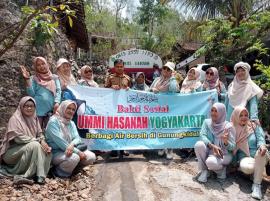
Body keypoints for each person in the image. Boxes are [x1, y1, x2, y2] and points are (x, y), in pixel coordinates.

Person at [0, 96, 52, 184]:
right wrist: (38, 141)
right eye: (26, 106)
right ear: (21, 106)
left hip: (27, 148)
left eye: (31, 106)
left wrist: (43, 141)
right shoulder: (15, 119)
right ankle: (39, 176)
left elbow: (39, 133)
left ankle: (35, 173)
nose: (29, 108)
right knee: (35, 145)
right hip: (12, 153)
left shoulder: (34, 119)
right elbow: (18, 138)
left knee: (48, 151)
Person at [45, 100, 96, 178]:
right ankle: (58, 173)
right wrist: (78, 152)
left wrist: (72, 144)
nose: (71, 111)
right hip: (56, 153)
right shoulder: (53, 122)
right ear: (63, 107)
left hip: (70, 149)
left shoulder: (71, 123)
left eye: (73, 109)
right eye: (68, 108)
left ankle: (73, 169)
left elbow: (77, 138)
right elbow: (60, 142)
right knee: (74, 158)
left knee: (91, 157)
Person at [231, 106, 269, 200]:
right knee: (247, 167)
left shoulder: (254, 125)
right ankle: (256, 173)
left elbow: (260, 138)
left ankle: (256, 186)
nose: (244, 117)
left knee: (260, 154)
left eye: (246, 115)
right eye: (241, 115)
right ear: (236, 116)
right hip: (245, 158)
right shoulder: (232, 128)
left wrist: (262, 146)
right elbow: (230, 147)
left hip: (259, 154)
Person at [194, 103, 236, 183]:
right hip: (211, 151)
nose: (213, 113)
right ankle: (204, 171)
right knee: (199, 145)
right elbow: (202, 135)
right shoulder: (207, 122)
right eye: (212, 110)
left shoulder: (228, 127)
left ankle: (221, 170)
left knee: (210, 162)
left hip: (224, 154)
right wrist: (212, 146)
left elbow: (233, 147)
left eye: (216, 111)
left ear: (221, 112)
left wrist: (225, 142)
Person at [20, 57, 61, 129]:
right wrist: (27, 80)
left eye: (43, 63)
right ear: (36, 67)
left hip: (51, 109)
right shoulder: (34, 78)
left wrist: (57, 102)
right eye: (38, 65)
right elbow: (31, 94)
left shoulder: (54, 77)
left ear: (47, 64)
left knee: (50, 131)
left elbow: (58, 90)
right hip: (37, 110)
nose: (41, 66)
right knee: (37, 132)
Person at [150, 61, 179, 160]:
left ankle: (170, 149)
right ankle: (162, 147)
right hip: (157, 109)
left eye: (169, 69)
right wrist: (153, 91)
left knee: (169, 128)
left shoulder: (172, 81)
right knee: (159, 127)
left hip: (169, 109)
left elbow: (174, 89)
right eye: (164, 68)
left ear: (172, 71)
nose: (166, 71)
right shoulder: (157, 80)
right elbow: (148, 91)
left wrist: (173, 77)